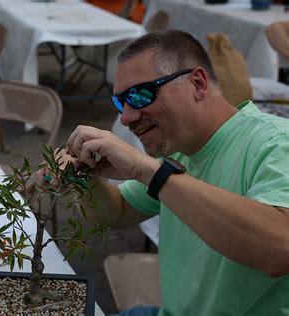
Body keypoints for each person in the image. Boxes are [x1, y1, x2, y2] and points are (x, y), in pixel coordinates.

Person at [31, 30, 289, 315]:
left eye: (139, 95)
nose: (126, 117)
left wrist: (151, 172)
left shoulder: (276, 143)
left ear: (198, 83)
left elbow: (279, 250)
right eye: (120, 102)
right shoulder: (182, 148)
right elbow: (118, 212)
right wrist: (86, 177)